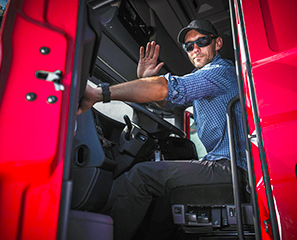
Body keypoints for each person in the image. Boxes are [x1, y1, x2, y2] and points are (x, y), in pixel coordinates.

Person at [78, 19, 247, 240]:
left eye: (202, 41)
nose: (195, 49)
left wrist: (100, 93)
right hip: (225, 166)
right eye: (189, 46)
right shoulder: (208, 79)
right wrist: (147, 79)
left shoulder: (219, 72)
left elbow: (165, 89)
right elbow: (165, 102)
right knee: (165, 195)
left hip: (233, 170)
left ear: (217, 43)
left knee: (141, 175)